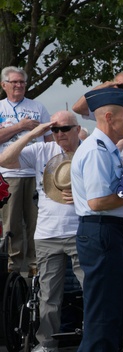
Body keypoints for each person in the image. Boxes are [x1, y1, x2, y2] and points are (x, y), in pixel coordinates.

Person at [67, 87, 123, 352]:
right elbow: (98, 201)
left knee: (114, 302)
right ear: (109, 118)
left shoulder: (106, 147)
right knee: (105, 306)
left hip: (106, 231)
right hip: (100, 229)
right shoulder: (98, 150)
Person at [0, 110, 84, 352]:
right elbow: (5, 159)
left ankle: (94, 340)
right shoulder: (41, 151)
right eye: (55, 130)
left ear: (77, 129)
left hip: (80, 230)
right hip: (47, 233)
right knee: (48, 293)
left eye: (65, 129)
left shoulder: (88, 150)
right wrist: (34, 133)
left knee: (90, 288)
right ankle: (47, 344)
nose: (59, 135)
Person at [0, 65, 51, 274]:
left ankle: (34, 268)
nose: (19, 85)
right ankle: (13, 268)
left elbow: (49, 140)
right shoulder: (1, 107)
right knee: (11, 224)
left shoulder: (38, 107)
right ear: (4, 85)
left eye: (22, 82)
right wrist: (20, 126)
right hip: (8, 174)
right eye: (14, 82)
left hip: (34, 173)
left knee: (35, 223)